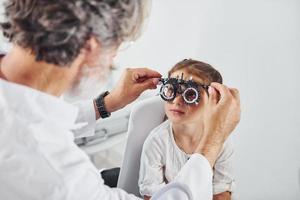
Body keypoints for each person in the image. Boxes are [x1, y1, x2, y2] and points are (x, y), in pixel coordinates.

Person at [0, 0, 240, 200]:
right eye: (118, 45)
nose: (114, 57)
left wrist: (105, 104)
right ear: (90, 45)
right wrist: (213, 140)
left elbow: (38, 119)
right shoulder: (57, 178)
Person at [139, 59, 234, 200]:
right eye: (171, 89)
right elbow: (151, 195)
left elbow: (222, 192)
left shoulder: (221, 141)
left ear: (214, 100)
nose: (177, 101)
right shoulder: (156, 142)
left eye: (190, 94)